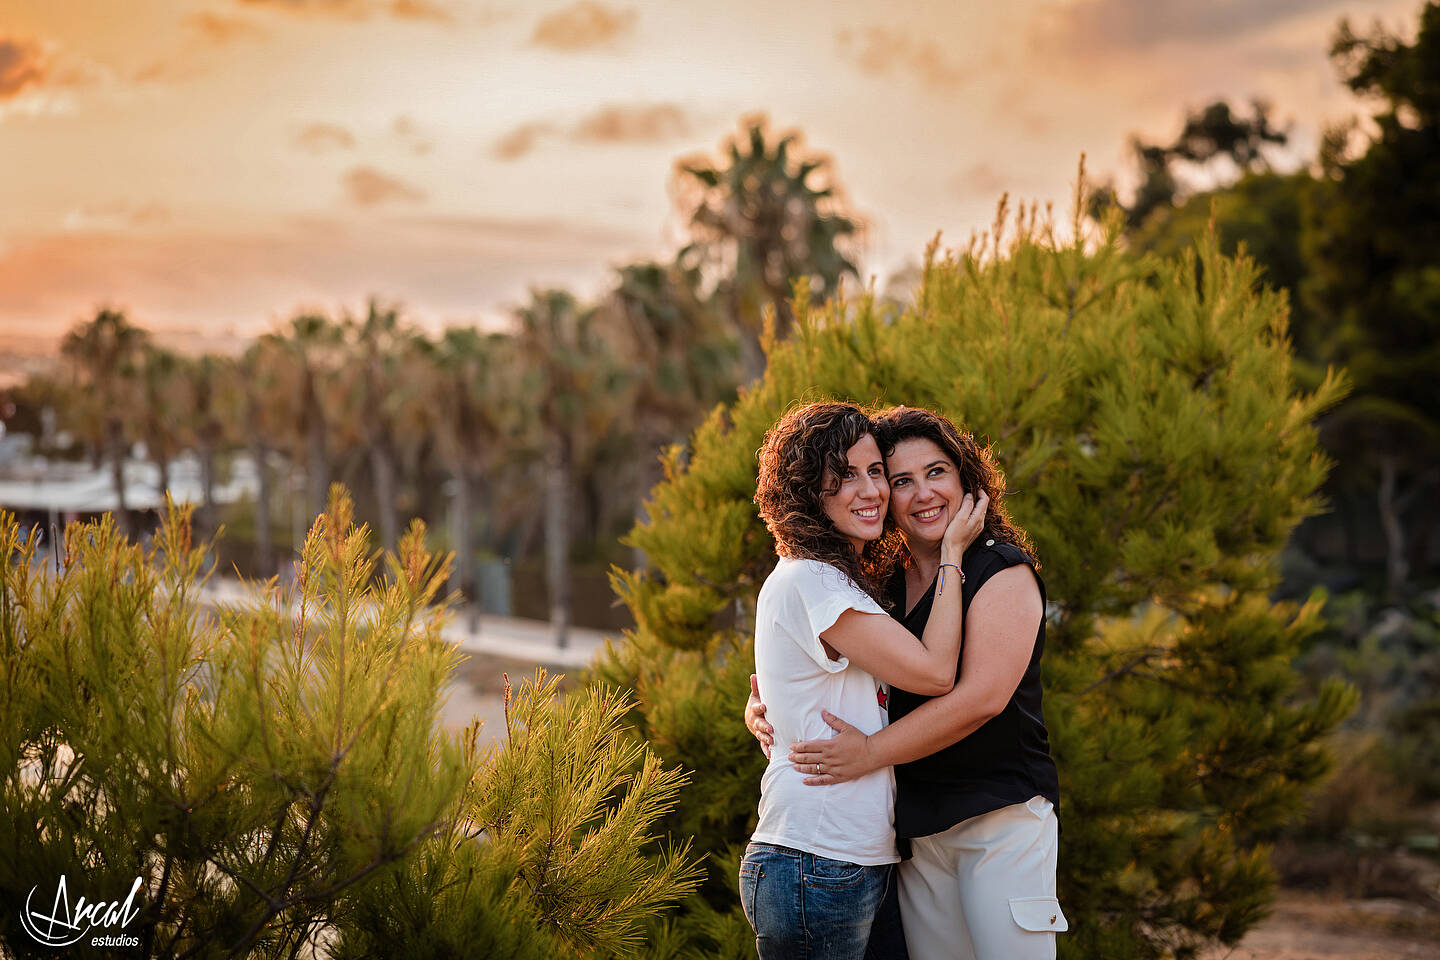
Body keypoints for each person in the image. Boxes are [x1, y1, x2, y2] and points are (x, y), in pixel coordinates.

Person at [747, 406, 1067, 960]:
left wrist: (870, 751)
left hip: (998, 819)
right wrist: (769, 708)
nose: (922, 493)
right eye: (900, 480)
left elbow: (980, 699)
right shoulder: (877, 583)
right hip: (914, 833)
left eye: (937, 472)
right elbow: (831, 667)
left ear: (968, 480)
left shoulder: (1002, 571)